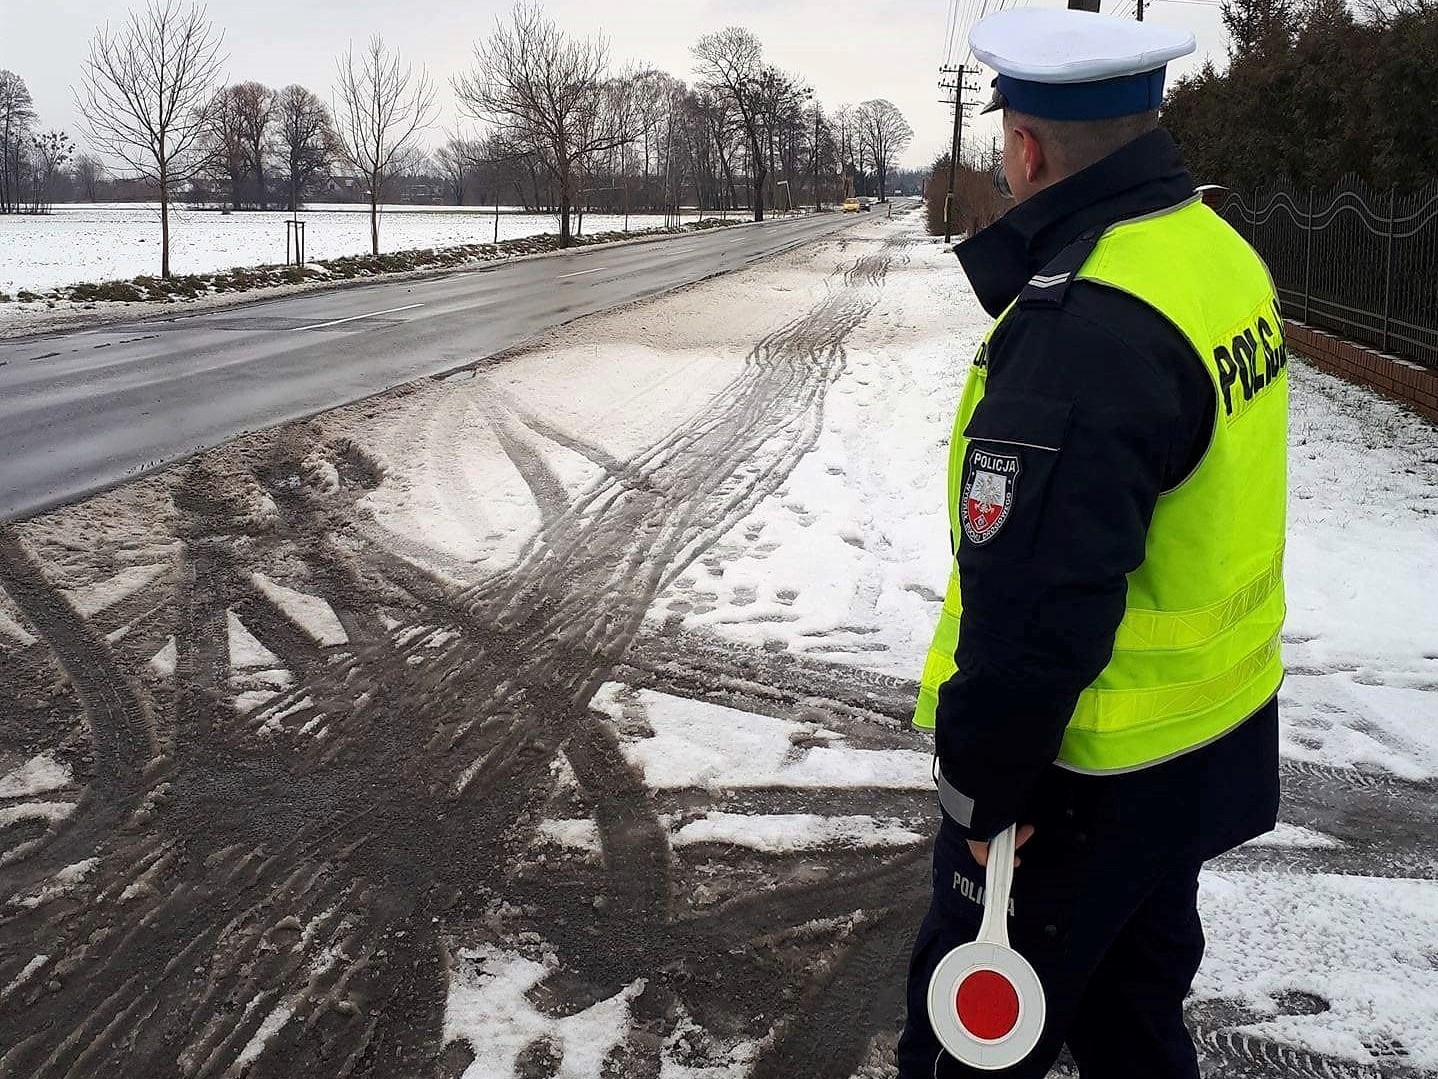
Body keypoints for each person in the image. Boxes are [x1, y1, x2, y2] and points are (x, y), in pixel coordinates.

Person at [898, 8, 1287, 1078]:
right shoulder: (1212, 252)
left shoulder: (1084, 323)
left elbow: (1039, 606)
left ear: (1023, 148)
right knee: (1133, 1024)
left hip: (1078, 781)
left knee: (966, 1045)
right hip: (1197, 748)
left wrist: (983, 794)